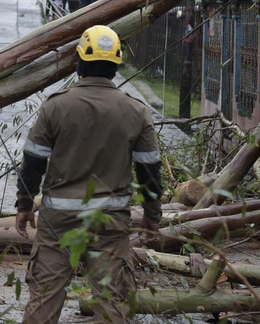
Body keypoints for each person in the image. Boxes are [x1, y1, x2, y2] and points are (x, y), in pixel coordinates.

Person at [15, 25, 163, 324]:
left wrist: (24, 205)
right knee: (112, 303)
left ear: (79, 61)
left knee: (44, 299)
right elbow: (149, 170)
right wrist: (152, 216)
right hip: (110, 225)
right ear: (115, 66)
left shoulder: (55, 107)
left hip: (58, 225)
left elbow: (33, 162)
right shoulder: (136, 111)